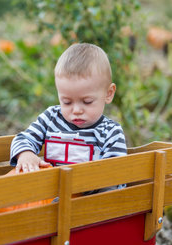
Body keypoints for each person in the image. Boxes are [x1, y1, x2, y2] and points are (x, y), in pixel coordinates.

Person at [10, 43, 127, 191]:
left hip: (91, 205)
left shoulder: (110, 132)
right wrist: (25, 153)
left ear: (108, 93)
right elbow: (22, 138)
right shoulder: (51, 118)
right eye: (67, 102)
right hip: (51, 198)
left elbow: (114, 175)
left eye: (87, 102)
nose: (76, 110)